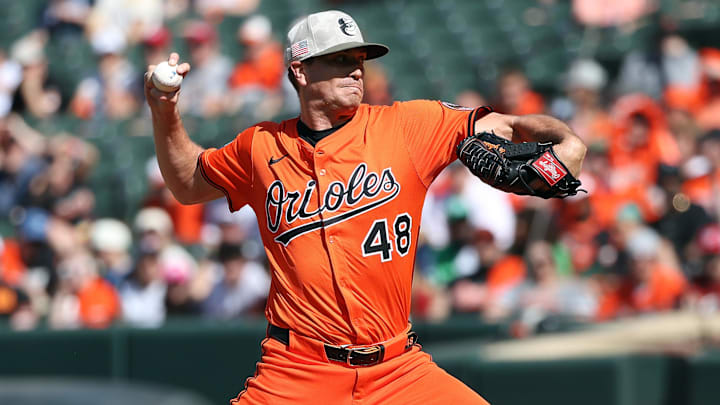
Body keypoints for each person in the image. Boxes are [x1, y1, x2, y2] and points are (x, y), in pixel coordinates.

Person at [144, 10, 587, 404]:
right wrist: (164, 110)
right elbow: (186, 185)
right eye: (340, 60)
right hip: (297, 371)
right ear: (299, 70)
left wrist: (567, 143)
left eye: (359, 61)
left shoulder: (408, 126)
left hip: (397, 369)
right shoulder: (260, 146)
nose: (356, 72)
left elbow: (510, 125)